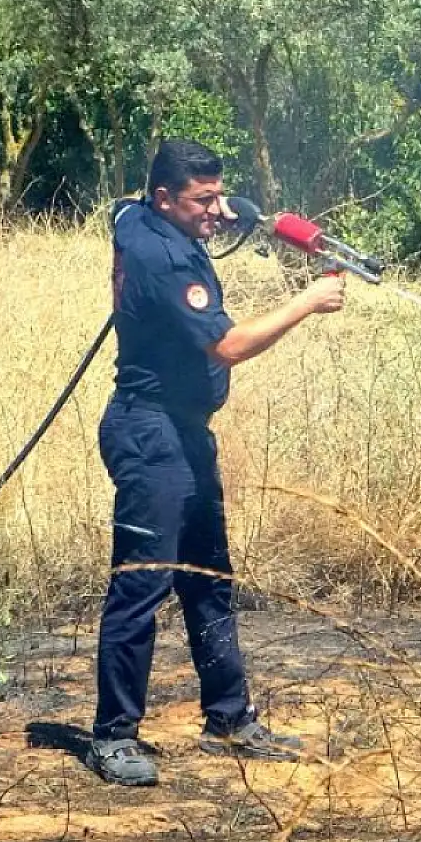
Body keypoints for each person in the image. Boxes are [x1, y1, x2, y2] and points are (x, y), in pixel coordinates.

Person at [87, 138, 346, 787]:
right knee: (142, 584)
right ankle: (113, 737)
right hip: (149, 433)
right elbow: (228, 345)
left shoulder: (137, 217)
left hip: (185, 431)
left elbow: (121, 207)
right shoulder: (165, 257)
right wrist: (308, 301)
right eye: (202, 200)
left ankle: (229, 720)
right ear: (165, 198)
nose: (214, 210)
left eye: (218, 197)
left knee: (208, 578)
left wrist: (229, 211)